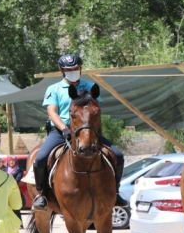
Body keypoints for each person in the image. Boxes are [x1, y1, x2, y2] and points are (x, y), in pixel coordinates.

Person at [31, 53, 127, 210]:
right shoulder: (53, 89)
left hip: (87, 131)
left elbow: (95, 109)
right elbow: (52, 112)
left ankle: (115, 192)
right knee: (40, 158)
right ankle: (41, 195)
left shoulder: (90, 87)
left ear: (81, 68)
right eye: (69, 69)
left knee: (118, 155)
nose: (73, 71)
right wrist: (64, 129)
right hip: (62, 131)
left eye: (75, 68)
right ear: (62, 70)